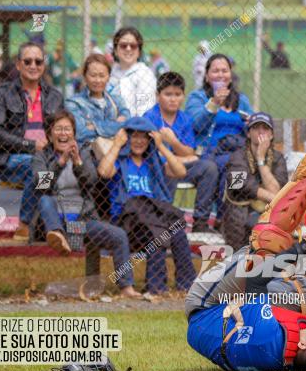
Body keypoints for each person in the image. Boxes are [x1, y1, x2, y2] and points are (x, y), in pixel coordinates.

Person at [184, 154, 306, 371]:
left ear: (302, 345)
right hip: (236, 315)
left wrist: (301, 249)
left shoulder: (267, 336)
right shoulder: (297, 354)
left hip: (204, 309)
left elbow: (259, 277)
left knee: (265, 249)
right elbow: (302, 333)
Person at [32, 110, 141, 297]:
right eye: (58, 129)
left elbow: (91, 181)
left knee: (118, 235)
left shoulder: (83, 152)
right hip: (52, 222)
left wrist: (77, 163)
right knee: (45, 199)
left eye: (67, 129)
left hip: (80, 221)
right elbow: (42, 186)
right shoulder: (41, 157)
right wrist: (60, 162)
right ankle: (58, 236)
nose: (63, 133)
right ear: (50, 134)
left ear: (74, 134)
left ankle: (126, 287)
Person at [97, 116, 197, 294]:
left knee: (178, 233)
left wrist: (161, 147)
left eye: (144, 137)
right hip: (128, 219)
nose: (139, 141)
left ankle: (187, 285)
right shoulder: (121, 161)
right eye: (134, 136)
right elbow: (104, 172)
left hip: (152, 219)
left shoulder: (153, 163)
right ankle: (157, 288)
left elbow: (180, 171)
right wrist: (117, 144)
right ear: (127, 137)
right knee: (156, 230)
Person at [0, 41, 64, 241]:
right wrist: (30, 145)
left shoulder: (55, 96)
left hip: (44, 162)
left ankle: (44, 228)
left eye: (38, 61)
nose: (33, 66)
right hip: (10, 159)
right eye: (28, 61)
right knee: (39, 170)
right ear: (18, 65)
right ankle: (26, 223)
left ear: (44, 65)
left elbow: (62, 128)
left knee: (42, 173)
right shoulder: (4, 93)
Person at [142, 71, 220, 234]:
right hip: (158, 168)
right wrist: (181, 157)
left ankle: (200, 221)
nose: (173, 99)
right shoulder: (150, 118)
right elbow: (152, 154)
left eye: (177, 94)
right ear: (158, 96)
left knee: (209, 168)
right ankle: (165, 222)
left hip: (181, 165)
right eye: (168, 94)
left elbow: (189, 150)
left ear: (183, 96)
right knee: (168, 169)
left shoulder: (184, 119)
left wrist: (172, 141)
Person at [222, 112, 288, 249]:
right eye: (256, 127)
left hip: (269, 212)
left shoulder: (278, 158)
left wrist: (260, 160)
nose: (260, 131)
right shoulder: (237, 156)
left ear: (271, 135)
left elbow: (278, 189)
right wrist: (271, 198)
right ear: (248, 134)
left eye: (265, 128)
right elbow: (238, 185)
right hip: (241, 213)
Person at [185, 53, 254, 159]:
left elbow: (253, 124)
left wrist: (251, 123)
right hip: (209, 153)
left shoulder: (241, 100)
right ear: (207, 77)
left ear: (230, 77)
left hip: (238, 151)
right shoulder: (197, 98)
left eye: (225, 71)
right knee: (232, 166)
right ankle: (237, 175)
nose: (221, 75)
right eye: (215, 71)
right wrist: (214, 103)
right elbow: (196, 125)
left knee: (241, 164)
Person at [65, 53, 130, 147]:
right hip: (87, 157)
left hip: (116, 154)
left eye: (102, 75)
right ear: (85, 76)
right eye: (93, 75)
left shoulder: (117, 101)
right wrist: (116, 125)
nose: (98, 80)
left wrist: (94, 126)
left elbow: (128, 124)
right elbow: (79, 133)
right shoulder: (73, 103)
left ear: (108, 77)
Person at [108, 27, 157, 117]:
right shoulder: (109, 73)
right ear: (115, 50)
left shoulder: (144, 74)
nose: (128, 49)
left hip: (133, 128)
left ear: (139, 51)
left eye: (133, 46)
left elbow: (145, 112)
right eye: (123, 45)